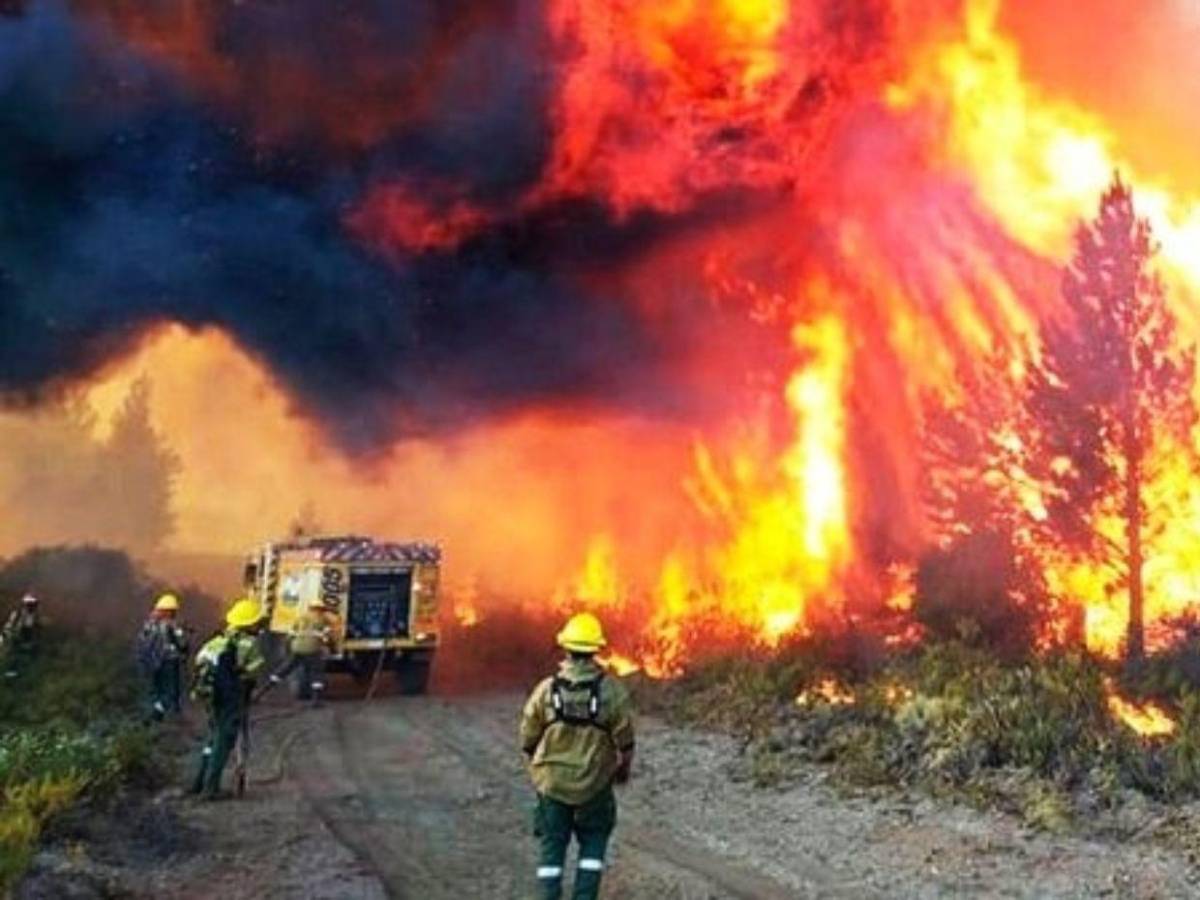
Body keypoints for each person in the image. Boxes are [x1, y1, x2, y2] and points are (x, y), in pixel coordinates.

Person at [519, 612, 635, 900]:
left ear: (566, 648)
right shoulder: (611, 692)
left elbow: (527, 737)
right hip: (594, 787)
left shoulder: (547, 690)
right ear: (596, 649)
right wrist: (622, 770)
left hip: (553, 786)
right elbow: (626, 741)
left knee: (552, 848)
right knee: (593, 847)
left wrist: (537, 766)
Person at [188, 597, 266, 800]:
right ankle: (210, 788)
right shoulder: (249, 643)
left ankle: (198, 782)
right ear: (250, 623)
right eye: (257, 622)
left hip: (207, 694)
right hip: (230, 697)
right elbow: (254, 670)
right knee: (224, 740)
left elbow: (198, 661)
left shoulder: (217, 639)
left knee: (212, 737)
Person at [136, 593, 189, 720]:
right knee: (171, 690)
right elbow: (182, 642)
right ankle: (165, 715)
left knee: (156, 689)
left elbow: (141, 642)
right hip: (169, 661)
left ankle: (155, 712)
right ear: (170, 611)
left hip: (151, 662)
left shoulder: (149, 624)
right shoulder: (172, 624)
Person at [270, 598, 335, 702]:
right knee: (316, 673)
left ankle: (264, 689)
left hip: (297, 648)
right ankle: (316, 700)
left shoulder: (300, 617)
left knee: (286, 668)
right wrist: (331, 647)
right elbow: (326, 637)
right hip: (313, 650)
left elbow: (291, 634)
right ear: (321, 609)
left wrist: (288, 646)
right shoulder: (323, 620)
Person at [2, 594, 41, 676]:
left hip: (24, 636)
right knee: (12, 652)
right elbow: (10, 625)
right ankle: (11, 670)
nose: (32, 607)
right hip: (14, 635)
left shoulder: (34, 616)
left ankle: (17, 670)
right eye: (30, 605)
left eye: (33, 605)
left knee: (22, 653)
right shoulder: (18, 614)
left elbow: (33, 628)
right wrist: (9, 634)